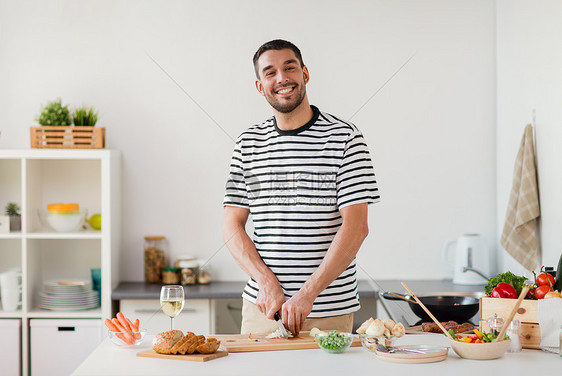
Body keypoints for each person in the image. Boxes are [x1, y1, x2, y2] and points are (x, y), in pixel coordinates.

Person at [223, 39, 379, 336]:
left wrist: (307, 294)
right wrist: (267, 283)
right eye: (270, 73)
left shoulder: (345, 138)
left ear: (305, 74)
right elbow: (231, 224)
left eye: (289, 68)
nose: (281, 78)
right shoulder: (247, 144)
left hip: (329, 312)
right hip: (263, 311)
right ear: (260, 86)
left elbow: (357, 227)